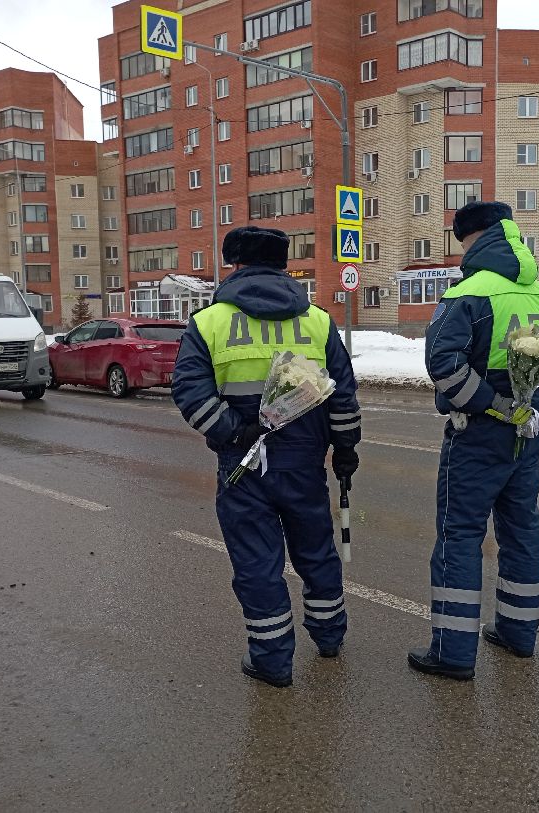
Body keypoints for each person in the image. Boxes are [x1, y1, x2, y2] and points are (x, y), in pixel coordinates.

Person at [171, 226, 361, 688]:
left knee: (258, 562)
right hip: (304, 460)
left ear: (235, 264)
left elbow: (189, 390)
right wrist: (347, 448)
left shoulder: (210, 322)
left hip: (244, 463)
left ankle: (273, 662)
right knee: (316, 550)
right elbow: (342, 393)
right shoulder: (317, 321)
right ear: (283, 265)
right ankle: (329, 635)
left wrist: (233, 431)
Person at [408, 201, 539, 680]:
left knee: (461, 536)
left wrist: (493, 406)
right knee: (522, 529)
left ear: (470, 238)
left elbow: (444, 369)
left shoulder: (468, 294)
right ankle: (518, 633)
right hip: (528, 436)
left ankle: (453, 653)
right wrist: (528, 408)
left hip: (476, 435)